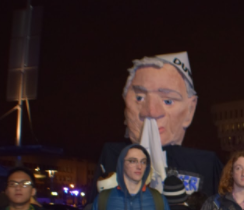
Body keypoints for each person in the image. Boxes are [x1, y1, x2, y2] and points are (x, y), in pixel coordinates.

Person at [91, 52, 223, 199]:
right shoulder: (111, 156)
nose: (151, 112)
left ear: (190, 109)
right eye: (139, 98)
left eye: (168, 101)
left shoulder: (206, 163)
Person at [82, 144, 182, 210]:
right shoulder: (103, 199)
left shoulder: (158, 200)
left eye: (143, 162)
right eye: (133, 161)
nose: (139, 166)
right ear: (122, 163)